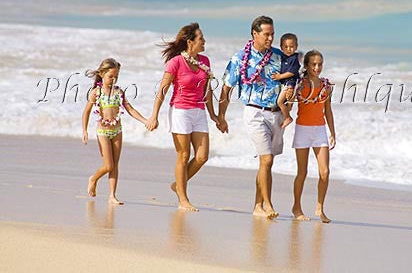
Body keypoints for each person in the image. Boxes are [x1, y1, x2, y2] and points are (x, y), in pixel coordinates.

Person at [145, 23, 219, 212]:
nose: (204, 41)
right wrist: (154, 116)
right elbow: (162, 90)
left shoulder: (205, 61)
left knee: (202, 157)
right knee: (183, 155)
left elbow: (207, 91)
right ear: (190, 41)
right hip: (180, 111)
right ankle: (183, 198)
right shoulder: (176, 62)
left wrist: (214, 115)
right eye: (201, 38)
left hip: (199, 111)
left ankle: (177, 184)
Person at [218, 15, 284, 219]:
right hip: (254, 112)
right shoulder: (240, 58)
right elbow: (227, 88)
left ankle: (257, 206)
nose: (271, 38)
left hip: (277, 113)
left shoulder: (278, 56)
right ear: (255, 34)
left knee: (266, 162)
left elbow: (291, 81)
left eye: (272, 34)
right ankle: (269, 204)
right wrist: (221, 115)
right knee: (267, 159)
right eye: (267, 34)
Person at [82, 58, 148, 205]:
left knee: (115, 165)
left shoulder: (119, 92)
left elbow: (130, 109)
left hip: (117, 130)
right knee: (108, 165)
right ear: (102, 74)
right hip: (103, 132)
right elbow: (86, 112)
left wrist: (145, 121)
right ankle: (93, 178)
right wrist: (84, 131)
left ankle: (112, 195)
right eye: (110, 76)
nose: (113, 79)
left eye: (116, 77)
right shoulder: (96, 92)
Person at [291, 50, 336, 223]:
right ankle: (296, 207)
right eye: (313, 64)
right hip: (302, 129)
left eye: (320, 64)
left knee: (325, 172)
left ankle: (320, 207)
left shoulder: (326, 86)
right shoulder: (300, 84)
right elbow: (288, 101)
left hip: (320, 131)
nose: (317, 67)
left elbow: (328, 111)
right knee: (302, 172)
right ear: (307, 65)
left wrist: (333, 132)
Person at [271, 33, 301, 128]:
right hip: (286, 83)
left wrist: (280, 76)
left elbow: (292, 72)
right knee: (287, 103)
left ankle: (288, 117)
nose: (289, 49)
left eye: (291, 47)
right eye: (286, 47)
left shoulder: (294, 58)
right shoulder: (283, 57)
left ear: (296, 47)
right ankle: (286, 113)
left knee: (280, 102)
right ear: (281, 47)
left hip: (290, 83)